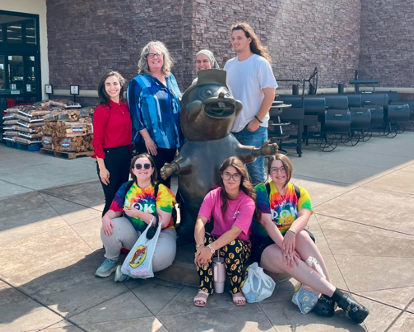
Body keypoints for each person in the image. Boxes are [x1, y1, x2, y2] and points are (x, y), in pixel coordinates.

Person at [250, 154, 370, 324]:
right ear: (269, 172)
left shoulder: (299, 192)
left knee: (302, 234)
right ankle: (341, 298)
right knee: (288, 257)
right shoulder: (262, 190)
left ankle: (327, 296)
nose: (279, 173)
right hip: (266, 244)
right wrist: (286, 247)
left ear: (289, 169)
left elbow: (304, 216)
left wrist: (291, 233)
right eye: (274, 169)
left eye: (283, 168)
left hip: (291, 237)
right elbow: (267, 222)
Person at [95, 153, 177, 282]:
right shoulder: (126, 187)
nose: (142, 169)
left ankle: (126, 270)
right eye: (138, 166)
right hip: (134, 233)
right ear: (133, 170)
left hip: (159, 233)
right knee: (110, 226)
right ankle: (112, 259)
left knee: (162, 259)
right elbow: (115, 211)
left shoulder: (160, 190)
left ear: (152, 169)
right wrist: (106, 218)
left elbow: (163, 222)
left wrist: (139, 214)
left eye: (146, 166)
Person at [193, 157, 258, 307]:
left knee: (232, 244)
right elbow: (200, 221)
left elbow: (235, 232)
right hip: (216, 242)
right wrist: (200, 246)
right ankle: (204, 288)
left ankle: (236, 288)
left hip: (240, 246)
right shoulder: (213, 195)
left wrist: (210, 248)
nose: (231, 178)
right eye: (227, 174)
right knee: (203, 241)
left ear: (242, 177)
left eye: (236, 175)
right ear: (221, 175)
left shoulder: (247, 201)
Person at [223, 22, 277, 186]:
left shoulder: (259, 63)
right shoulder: (229, 65)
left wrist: (257, 120)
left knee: (256, 176)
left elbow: (270, 94)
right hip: (232, 130)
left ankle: (261, 211)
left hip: (253, 129)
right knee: (234, 175)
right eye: (233, 38)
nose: (235, 41)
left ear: (249, 39)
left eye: (239, 37)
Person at [128, 41, 184, 188]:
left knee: (165, 184)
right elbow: (134, 114)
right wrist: (147, 139)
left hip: (170, 142)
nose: (155, 58)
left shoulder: (170, 78)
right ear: (145, 59)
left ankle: (165, 211)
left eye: (158, 54)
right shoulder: (138, 82)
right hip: (150, 144)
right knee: (151, 183)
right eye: (151, 55)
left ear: (164, 57)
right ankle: (149, 211)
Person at [93, 70, 132, 217]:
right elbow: (97, 141)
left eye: (115, 83)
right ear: (103, 88)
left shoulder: (125, 108)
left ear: (121, 85)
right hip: (109, 159)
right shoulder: (101, 110)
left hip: (125, 156)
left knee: (122, 199)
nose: (112, 87)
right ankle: (107, 238)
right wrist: (102, 168)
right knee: (111, 201)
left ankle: (119, 236)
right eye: (108, 84)